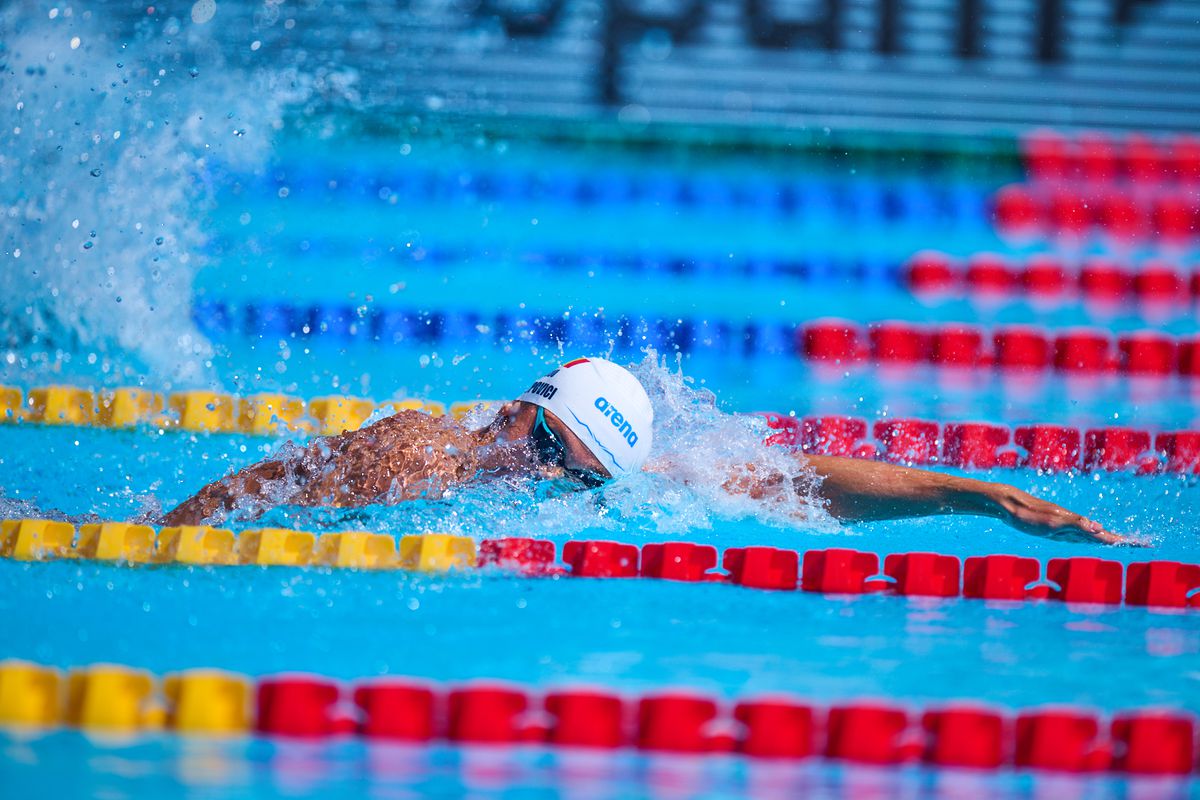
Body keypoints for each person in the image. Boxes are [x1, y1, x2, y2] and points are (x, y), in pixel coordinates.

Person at [163, 357, 1129, 545]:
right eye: (541, 443)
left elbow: (802, 484)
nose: (540, 474)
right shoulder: (412, 457)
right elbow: (239, 500)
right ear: (514, 412)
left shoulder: (632, 479)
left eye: (573, 473)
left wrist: (976, 496)